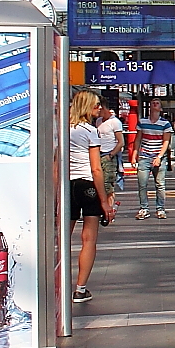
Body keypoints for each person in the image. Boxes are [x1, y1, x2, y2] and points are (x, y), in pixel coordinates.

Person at [68, 90, 116, 303]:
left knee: (62, 238)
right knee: (89, 239)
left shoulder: (63, 129)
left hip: (67, 186)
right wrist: (104, 200)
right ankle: (80, 289)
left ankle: (54, 282)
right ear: (86, 107)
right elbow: (96, 169)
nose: (99, 108)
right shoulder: (90, 131)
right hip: (87, 186)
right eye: (96, 105)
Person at [133, 98, 171, 219]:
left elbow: (166, 141)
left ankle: (160, 209)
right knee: (142, 184)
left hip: (158, 156)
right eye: (153, 102)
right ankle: (144, 208)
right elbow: (138, 139)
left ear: (160, 108)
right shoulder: (142, 122)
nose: (155, 104)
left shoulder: (165, 124)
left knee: (160, 184)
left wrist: (159, 156)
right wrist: (134, 154)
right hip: (144, 156)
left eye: (157, 103)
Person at [95, 103, 124, 198]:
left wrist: (111, 155)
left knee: (108, 185)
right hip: (99, 154)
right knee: (100, 183)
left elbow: (121, 142)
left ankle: (110, 208)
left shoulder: (115, 122)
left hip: (109, 154)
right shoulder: (98, 121)